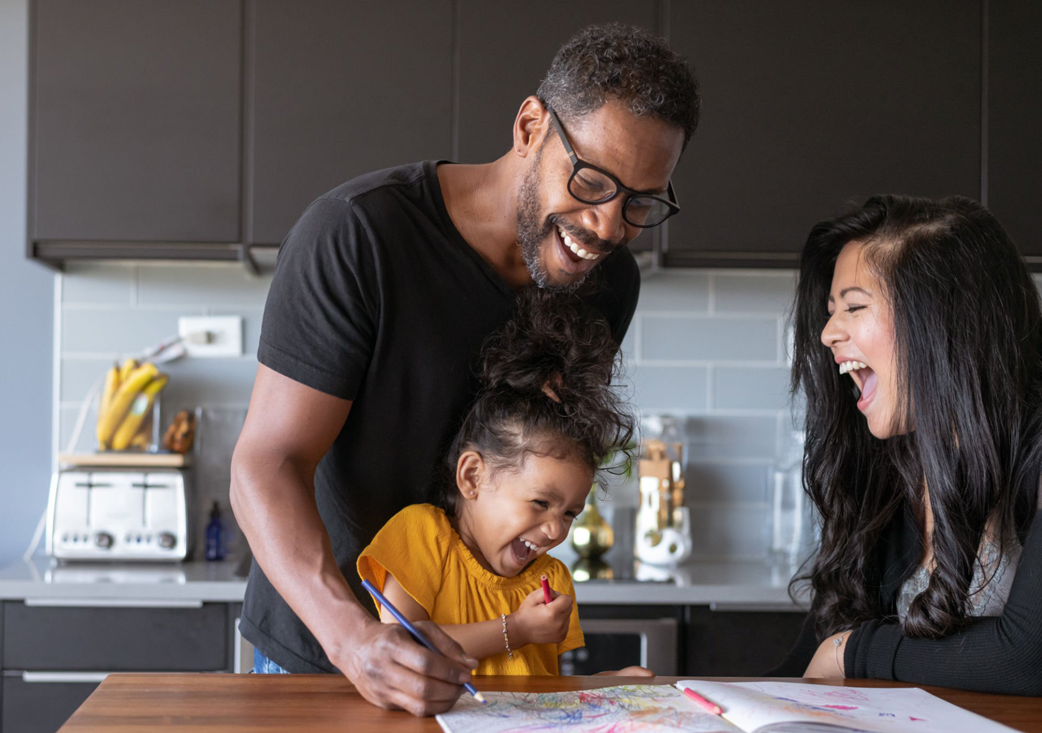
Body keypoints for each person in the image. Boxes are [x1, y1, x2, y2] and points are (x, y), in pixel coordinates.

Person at [230, 23, 701, 716]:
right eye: (593, 180)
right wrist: (355, 639)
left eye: (640, 202)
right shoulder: (358, 236)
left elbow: (541, 456)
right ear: (530, 126)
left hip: (490, 676)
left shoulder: (608, 284)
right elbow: (265, 464)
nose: (608, 226)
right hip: (329, 654)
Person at [769, 194, 1042, 696]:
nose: (828, 332)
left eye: (854, 306)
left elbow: (1028, 659)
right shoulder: (891, 468)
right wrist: (673, 703)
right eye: (832, 311)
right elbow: (806, 664)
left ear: (945, 321)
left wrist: (851, 651)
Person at [357, 289, 645, 676]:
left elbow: (546, 690)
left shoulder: (551, 579)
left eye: (571, 513)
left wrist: (607, 686)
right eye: (542, 503)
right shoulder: (421, 537)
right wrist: (518, 629)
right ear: (472, 476)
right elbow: (404, 648)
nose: (555, 530)